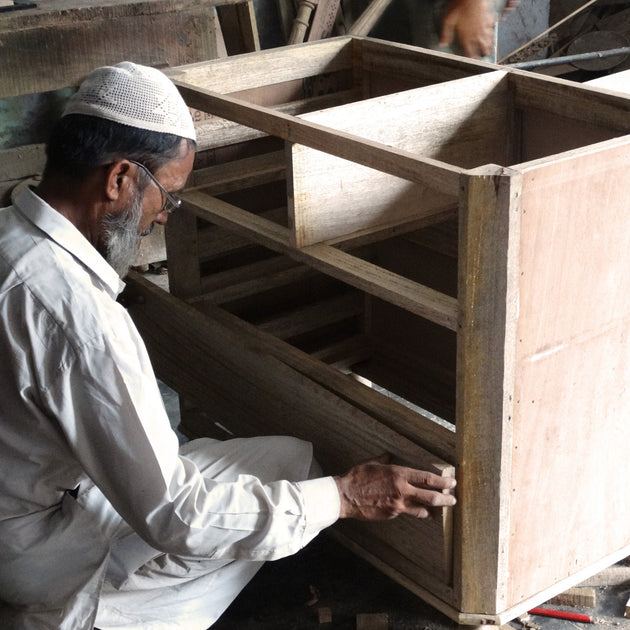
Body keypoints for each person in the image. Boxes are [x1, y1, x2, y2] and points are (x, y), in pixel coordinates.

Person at [0, 62, 457, 630]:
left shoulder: (7, 237)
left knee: (293, 461)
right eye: (167, 195)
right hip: (38, 557)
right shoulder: (78, 319)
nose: (164, 215)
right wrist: (345, 498)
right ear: (118, 179)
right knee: (258, 516)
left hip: (39, 497)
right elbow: (177, 517)